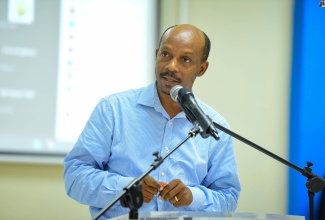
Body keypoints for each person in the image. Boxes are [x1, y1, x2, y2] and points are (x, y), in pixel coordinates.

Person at [64, 24, 241, 219]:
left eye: (185, 59)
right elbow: (75, 178)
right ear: (156, 54)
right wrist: (125, 188)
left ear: (202, 68)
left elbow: (228, 198)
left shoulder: (214, 126)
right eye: (165, 54)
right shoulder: (113, 109)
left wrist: (193, 197)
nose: (171, 66)